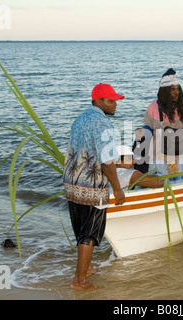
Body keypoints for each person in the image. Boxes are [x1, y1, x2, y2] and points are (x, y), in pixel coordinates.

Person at [63, 83, 125, 291]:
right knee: (89, 234)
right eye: (110, 100)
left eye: (115, 100)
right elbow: (107, 162)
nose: (115, 104)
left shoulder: (79, 119)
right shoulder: (103, 124)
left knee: (81, 230)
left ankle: (87, 268)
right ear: (98, 101)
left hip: (72, 183)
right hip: (92, 186)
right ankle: (79, 281)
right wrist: (117, 189)